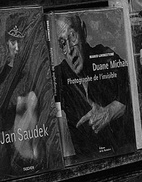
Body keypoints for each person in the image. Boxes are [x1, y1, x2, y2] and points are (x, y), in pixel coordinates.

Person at [52, 12, 135, 158]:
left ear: (83, 31)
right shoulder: (58, 76)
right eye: (62, 43)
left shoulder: (105, 58)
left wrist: (110, 111)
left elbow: (134, 87)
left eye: (72, 36)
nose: (70, 50)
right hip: (84, 163)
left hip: (121, 155)